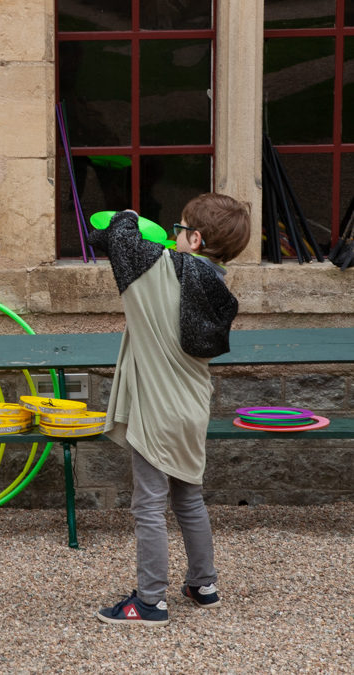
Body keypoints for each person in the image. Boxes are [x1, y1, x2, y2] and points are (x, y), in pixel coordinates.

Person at [88, 193, 251, 626]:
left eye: (180, 229)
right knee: (188, 498)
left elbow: (114, 237)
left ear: (195, 239)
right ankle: (204, 585)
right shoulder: (218, 288)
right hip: (192, 408)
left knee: (148, 505)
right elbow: (117, 244)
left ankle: (150, 602)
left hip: (157, 411)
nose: (174, 236)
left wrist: (127, 214)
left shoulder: (160, 269)